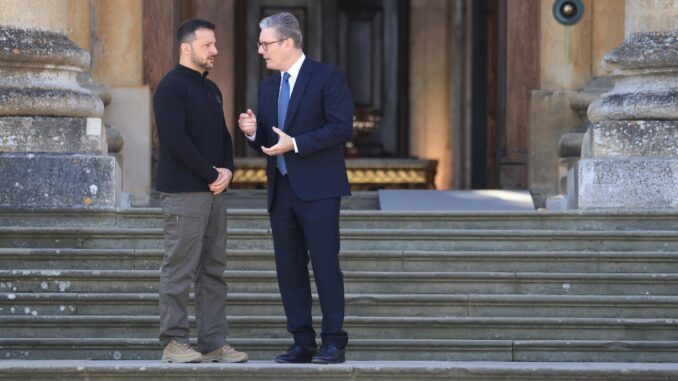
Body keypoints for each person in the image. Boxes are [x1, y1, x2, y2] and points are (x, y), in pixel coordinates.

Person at [237, 12, 354, 364]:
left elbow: (340, 128)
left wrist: (296, 144)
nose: (261, 51)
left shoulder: (327, 76)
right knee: (288, 268)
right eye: (260, 45)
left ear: (288, 43)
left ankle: (334, 341)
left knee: (324, 266)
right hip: (282, 190)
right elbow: (271, 142)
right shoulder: (268, 86)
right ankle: (302, 341)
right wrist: (253, 133)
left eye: (266, 44)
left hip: (318, 190)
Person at [153, 18, 247, 364]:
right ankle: (174, 341)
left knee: (213, 270)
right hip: (184, 192)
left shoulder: (211, 88)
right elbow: (176, 141)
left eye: (215, 44)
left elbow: (222, 138)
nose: (215, 51)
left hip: (213, 192)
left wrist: (228, 173)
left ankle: (213, 342)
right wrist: (212, 173)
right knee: (180, 268)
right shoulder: (170, 88)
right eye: (208, 45)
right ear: (186, 47)